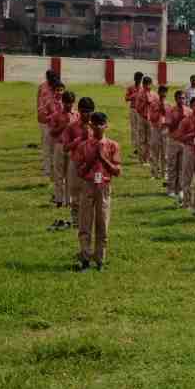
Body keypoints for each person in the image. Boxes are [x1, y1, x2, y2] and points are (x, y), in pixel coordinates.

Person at [76, 112, 122, 271]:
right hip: (88, 185)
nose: (98, 127)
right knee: (85, 222)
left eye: (101, 124)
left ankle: (100, 258)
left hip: (103, 185)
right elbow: (79, 171)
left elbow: (117, 171)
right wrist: (90, 160)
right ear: (90, 125)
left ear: (106, 125)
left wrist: (103, 159)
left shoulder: (112, 145)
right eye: (94, 124)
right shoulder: (83, 145)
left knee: (102, 223)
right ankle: (85, 257)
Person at [63, 96, 95, 228]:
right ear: (79, 111)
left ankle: (88, 219)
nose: (86, 114)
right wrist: (79, 139)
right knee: (75, 194)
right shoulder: (72, 127)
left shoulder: (96, 126)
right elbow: (65, 147)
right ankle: (76, 220)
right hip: (76, 163)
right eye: (84, 111)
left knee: (91, 193)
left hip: (92, 164)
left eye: (89, 111)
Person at [48, 90, 77, 218]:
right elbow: (52, 132)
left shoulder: (76, 115)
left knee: (70, 175)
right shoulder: (56, 115)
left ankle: (68, 200)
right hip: (60, 145)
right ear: (62, 102)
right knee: (59, 174)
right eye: (66, 103)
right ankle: (59, 200)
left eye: (70, 103)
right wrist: (63, 126)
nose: (68, 106)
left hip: (71, 147)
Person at [177, 96, 195, 214]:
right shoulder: (186, 120)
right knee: (187, 176)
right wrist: (193, 134)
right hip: (189, 149)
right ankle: (186, 200)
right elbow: (180, 137)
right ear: (191, 106)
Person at [164, 90, 188, 200]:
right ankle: (170, 189)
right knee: (172, 165)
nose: (181, 100)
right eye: (179, 98)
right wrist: (180, 117)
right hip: (173, 140)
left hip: (184, 142)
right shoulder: (170, 110)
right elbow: (170, 126)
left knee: (182, 167)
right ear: (176, 99)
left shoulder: (189, 111)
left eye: (183, 98)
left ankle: (180, 189)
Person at [38, 76, 64, 177]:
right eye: (58, 90)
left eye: (61, 90)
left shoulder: (66, 103)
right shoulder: (49, 102)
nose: (60, 92)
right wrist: (52, 117)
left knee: (57, 152)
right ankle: (47, 171)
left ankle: (57, 171)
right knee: (48, 150)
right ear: (54, 91)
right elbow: (43, 117)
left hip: (61, 131)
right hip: (50, 129)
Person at [147, 85, 168, 183]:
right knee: (154, 151)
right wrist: (159, 109)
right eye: (162, 92)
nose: (163, 94)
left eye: (165, 92)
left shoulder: (168, 105)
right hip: (155, 129)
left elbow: (169, 117)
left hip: (165, 130)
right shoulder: (153, 104)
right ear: (158, 92)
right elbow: (151, 117)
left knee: (165, 153)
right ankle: (154, 173)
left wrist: (163, 106)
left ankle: (165, 173)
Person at [125, 71, 144, 155]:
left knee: (140, 128)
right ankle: (135, 147)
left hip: (141, 110)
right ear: (135, 78)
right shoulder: (130, 88)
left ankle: (140, 146)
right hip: (133, 109)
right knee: (134, 128)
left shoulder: (143, 88)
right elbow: (126, 98)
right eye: (137, 78)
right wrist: (133, 95)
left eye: (140, 79)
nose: (139, 80)